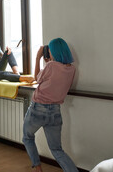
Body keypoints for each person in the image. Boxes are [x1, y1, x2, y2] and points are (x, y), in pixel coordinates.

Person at [22, 38, 78, 172]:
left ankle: (38, 168)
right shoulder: (71, 69)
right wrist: (49, 64)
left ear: (55, 52)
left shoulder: (51, 66)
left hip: (38, 109)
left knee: (27, 137)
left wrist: (37, 58)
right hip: (55, 112)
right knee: (57, 149)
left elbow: (36, 78)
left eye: (51, 51)